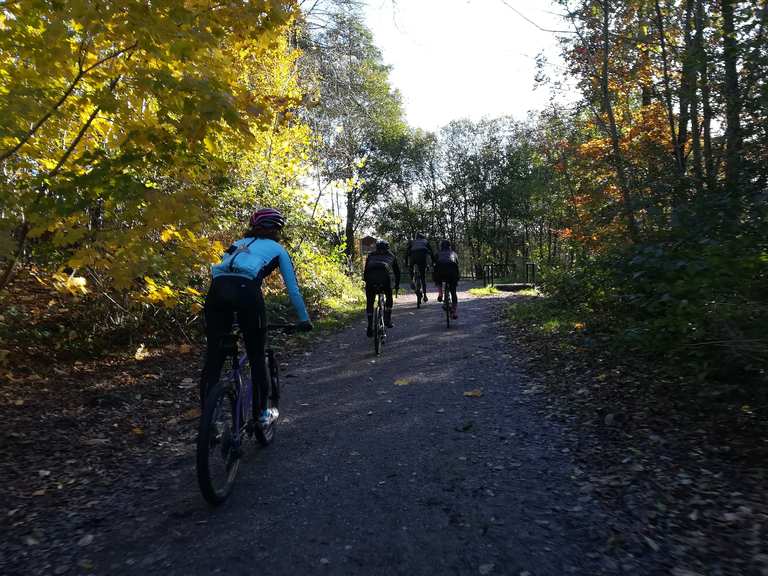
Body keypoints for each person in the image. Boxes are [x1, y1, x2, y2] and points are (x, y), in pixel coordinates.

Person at [201, 207, 312, 427]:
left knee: (214, 359)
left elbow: (223, 271)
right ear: (278, 229)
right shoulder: (277, 248)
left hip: (216, 292)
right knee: (256, 356)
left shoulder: (236, 244)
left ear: (253, 226)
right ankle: (261, 414)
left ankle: (208, 421)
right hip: (247, 293)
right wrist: (304, 319)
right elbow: (293, 290)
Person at [363, 239, 400, 336]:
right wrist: (396, 285)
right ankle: (387, 319)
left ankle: (370, 326)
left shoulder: (370, 255)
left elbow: (366, 271)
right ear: (387, 248)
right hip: (385, 280)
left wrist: (367, 283)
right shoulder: (391, 255)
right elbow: (397, 272)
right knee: (389, 296)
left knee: (370, 302)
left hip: (371, 280)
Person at [433, 239, 460, 319]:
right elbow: (457, 265)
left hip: (440, 271)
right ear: (449, 246)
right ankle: (454, 312)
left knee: (437, 277)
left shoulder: (438, 253)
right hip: (452, 272)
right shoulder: (454, 253)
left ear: (441, 246)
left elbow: (433, 263)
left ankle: (440, 293)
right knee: (453, 292)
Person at [405, 232, 434, 301]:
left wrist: (406, 263)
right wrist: (433, 262)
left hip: (413, 257)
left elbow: (406, 253)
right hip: (422, 257)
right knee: (423, 278)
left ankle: (412, 279)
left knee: (411, 267)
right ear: (423, 237)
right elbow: (431, 252)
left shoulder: (412, 242)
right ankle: (425, 296)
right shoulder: (425, 241)